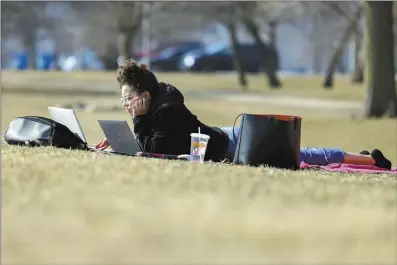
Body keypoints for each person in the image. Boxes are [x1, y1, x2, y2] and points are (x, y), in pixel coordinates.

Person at [96, 60, 392, 170]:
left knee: (304, 156)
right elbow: (150, 146)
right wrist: (119, 141)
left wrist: (133, 128)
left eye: (128, 100)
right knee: (304, 154)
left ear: (144, 96)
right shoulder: (156, 106)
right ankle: (363, 157)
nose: (126, 106)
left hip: (234, 147)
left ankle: (371, 159)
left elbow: (156, 150)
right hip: (226, 134)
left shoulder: (166, 111)